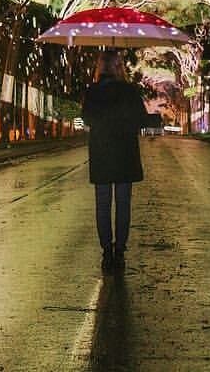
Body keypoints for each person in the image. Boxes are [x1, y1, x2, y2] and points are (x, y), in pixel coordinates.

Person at [81, 50, 150, 272]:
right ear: (120, 67)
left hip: (102, 152)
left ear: (100, 67)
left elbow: (87, 119)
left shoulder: (92, 91)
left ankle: (106, 253)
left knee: (102, 205)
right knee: (123, 204)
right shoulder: (129, 91)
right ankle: (120, 251)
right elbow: (141, 119)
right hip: (124, 152)